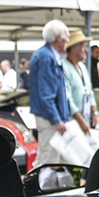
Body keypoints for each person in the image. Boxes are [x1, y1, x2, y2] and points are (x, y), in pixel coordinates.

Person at [28, 19, 72, 171]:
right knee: (46, 159)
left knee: (50, 158)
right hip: (49, 119)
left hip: (48, 117)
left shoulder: (47, 55)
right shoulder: (47, 57)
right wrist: (57, 119)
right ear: (58, 37)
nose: (68, 39)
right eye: (66, 35)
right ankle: (32, 191)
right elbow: (46, 94)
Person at [63, 32, 96, 132]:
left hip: (85, 120)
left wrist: (95, 113)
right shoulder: (64, 68)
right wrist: (80, 121)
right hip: (72, 122)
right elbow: (68, 98)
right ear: (73, 49)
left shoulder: (83, 67)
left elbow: (90, 92)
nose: (86, 50)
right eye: (84, 47)